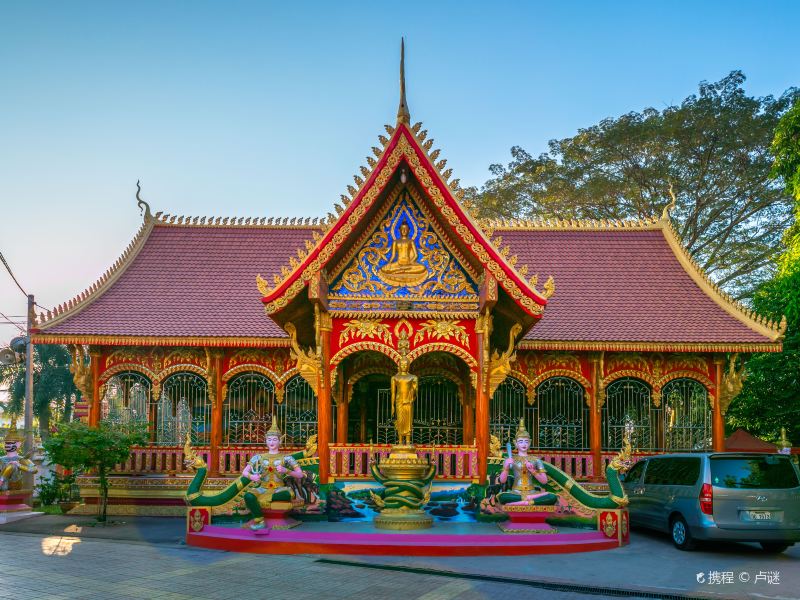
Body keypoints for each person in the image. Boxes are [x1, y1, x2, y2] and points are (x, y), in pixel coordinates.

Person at [241, 418, 303, 530]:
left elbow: (300, 475)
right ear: (265, 441)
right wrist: (252, 476)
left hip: (279, 489)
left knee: (287, 494)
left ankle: (266, 503)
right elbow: (244, 472)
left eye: (275, 439)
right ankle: (259, 520)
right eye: (269, 439)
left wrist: (286, 471)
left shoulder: (287, 458)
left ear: (280, 441)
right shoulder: (258, 457)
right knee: (248, 496)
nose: (271, 442)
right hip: (263, 488)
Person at [498, 419, 557, 506]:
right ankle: (528, 501)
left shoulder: (536, 460)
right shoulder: (511, 459)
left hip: (532, 493)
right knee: (502, 497)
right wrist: (506, 468)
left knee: (552, 497)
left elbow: (544, 481)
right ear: (516, 443)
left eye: (526, 441)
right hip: (515, 493)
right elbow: (502, 481)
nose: (524, 444)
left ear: (530, 443)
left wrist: (533, 471)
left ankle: (524, 502)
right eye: (520, 442)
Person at [379, 222, 428, 287]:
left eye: (406, 229)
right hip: (398, 264)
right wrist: (389, 264)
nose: (404, 231)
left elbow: (416, 255)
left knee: (422, 268)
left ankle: (401, 270)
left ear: (409, 230)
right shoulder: (395, 242)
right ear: (399, 230)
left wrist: (411, 262)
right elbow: (393, 255)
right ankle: (403, 270)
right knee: (383, 269)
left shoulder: (411, 241)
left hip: (409, 264)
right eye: (402, 229)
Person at [0, 422, 37, 492]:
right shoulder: (1, 459)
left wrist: (18, 465)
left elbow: (34, 469)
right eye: (6, 443)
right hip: (4, 485)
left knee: (12, 466)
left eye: (10, 443)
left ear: (18, 444)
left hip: (14, 484)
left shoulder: (21, 459)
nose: (7, 445)